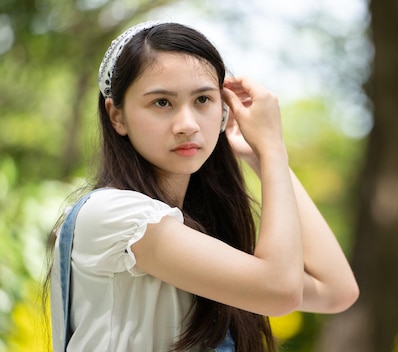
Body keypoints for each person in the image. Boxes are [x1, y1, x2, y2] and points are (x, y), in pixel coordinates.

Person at [46, 21, 359, 351]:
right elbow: (279, 291)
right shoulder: (115, 215)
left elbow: (336, 290)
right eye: (162, 103)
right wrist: (272, 149)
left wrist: (261, 157)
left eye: (203, 100)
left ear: (224, 110)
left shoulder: (191, 232)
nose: (187, 124)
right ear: (117, 117)